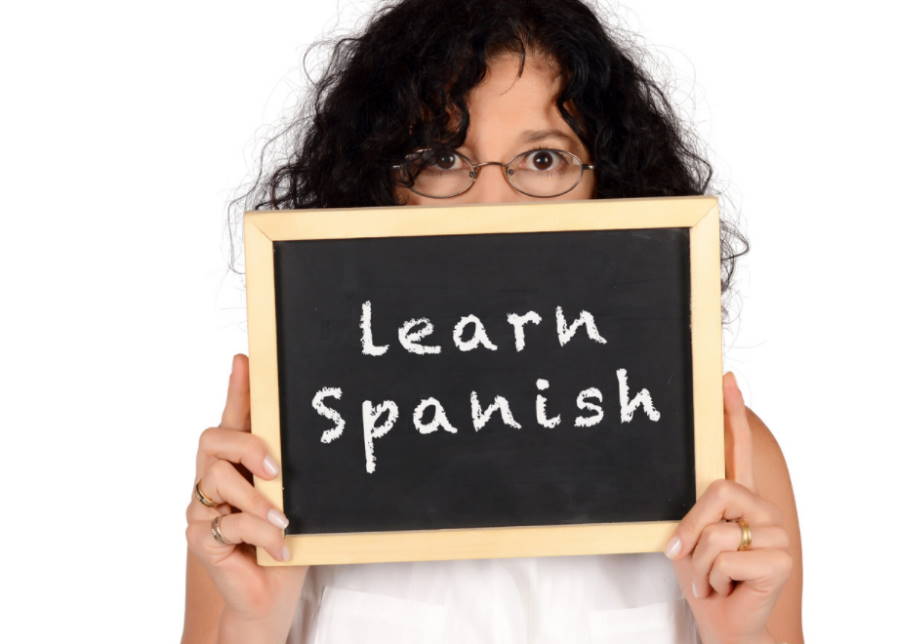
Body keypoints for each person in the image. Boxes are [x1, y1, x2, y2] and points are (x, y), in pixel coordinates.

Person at [183, 1, 803, 642]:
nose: (493, 203)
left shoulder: (726, 458)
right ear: (380, 184)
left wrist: (740, 635)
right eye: (443, 158)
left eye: (543, 160)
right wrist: (251, 622)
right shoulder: (280, 451)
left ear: (609, 183)